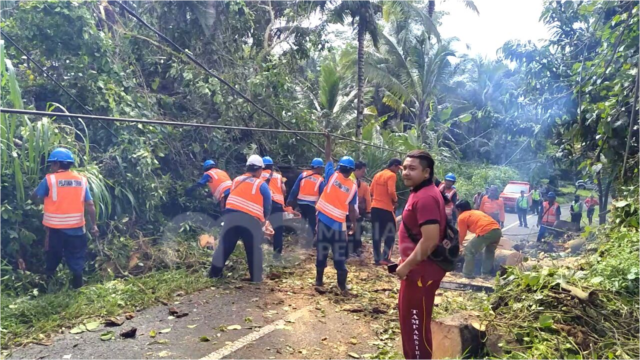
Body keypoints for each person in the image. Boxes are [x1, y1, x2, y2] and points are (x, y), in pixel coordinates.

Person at [394, 150, 446, 360]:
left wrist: (405, 266)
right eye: (404, 168)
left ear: (426, 172)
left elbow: (430, 240)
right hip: (417, 272)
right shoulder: (419, 192)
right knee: (410, 323)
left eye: (412, 169)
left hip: (420, 274)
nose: (406, 173)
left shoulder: (425, 197)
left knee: (415, 329)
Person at [31, 148, 99, 289]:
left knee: (52, 256)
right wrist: (94, 225)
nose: (51, 167)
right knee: (76, 257)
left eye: (52, 164)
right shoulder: (81, 180)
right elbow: (90, 204)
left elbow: (35, 196)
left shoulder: (50, 179)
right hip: (77, 229)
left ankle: (48, 286)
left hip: (55, 230)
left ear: (57, 164)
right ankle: (77, 286)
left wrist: (33, 198)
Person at [209, 155, 271, 282]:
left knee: (225, 245)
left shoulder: (237, 180)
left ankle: (214, 274)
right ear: (259, 170)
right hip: (251, 220)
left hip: (231, 217)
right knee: (253, 248)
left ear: (247, 168)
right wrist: (264, 219)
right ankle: (256, 278)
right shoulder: (261, 184)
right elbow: (267, 205)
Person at [315, 134, 358, 294]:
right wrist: (353, 225)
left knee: (322, 250)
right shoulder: (353, 187)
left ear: (339, 167)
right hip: (339, 227)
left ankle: (319, 280)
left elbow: (327, 156)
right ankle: (342, 286)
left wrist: (328, 140)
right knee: (339, 254)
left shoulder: (331, 175)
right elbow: (352, 209)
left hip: (323, 221)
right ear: (352, 171)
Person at [455, 200, 502, 279]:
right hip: (497, 231)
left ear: (459, 209)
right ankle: (485, 274)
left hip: (486, 231)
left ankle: (467, 274)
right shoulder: (477, 212)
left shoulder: (462, 216)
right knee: (489, 252)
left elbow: (462, 234)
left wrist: (458, 245)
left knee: (469, 250)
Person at [286, 158, 326, 246]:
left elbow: (295, 188)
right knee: (312, 223)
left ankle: (300, 239)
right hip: (311, 205)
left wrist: (290, 199)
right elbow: (323, 195)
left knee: (303, 221)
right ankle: (308, 242)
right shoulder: (320, 180)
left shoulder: (303, 175)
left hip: (301, 203)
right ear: (319, 168)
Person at [370, 158, 402, 265]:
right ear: (394, 165)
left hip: (374, 207)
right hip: (386, 208)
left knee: (376, 234)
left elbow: (371, 191)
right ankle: (385, 257)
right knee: (390, 233)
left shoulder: (378, 174)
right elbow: (391, 191)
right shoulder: (392, 175)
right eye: (398, 168)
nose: (398, 170)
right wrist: (395, 200)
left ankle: (377, 258)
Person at [260, 156, 287, 259]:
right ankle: (277, 255)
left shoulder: (258, 175)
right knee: (278, 230)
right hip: (277, 205)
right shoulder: (278, 176)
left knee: (261, 226)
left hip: (263, 204)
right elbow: (284, 190)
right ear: (272, 166)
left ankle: (259, 251)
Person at [346, 161, 371, 258]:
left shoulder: (353, 179)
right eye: (362, 171)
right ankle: (350, 252)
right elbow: (352, 199)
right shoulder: (352, 180)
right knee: (353, 230)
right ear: (356, 170)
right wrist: (356, 212)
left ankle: (352, 251)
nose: (363, 174)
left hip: (348, 210)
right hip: (349, 211)